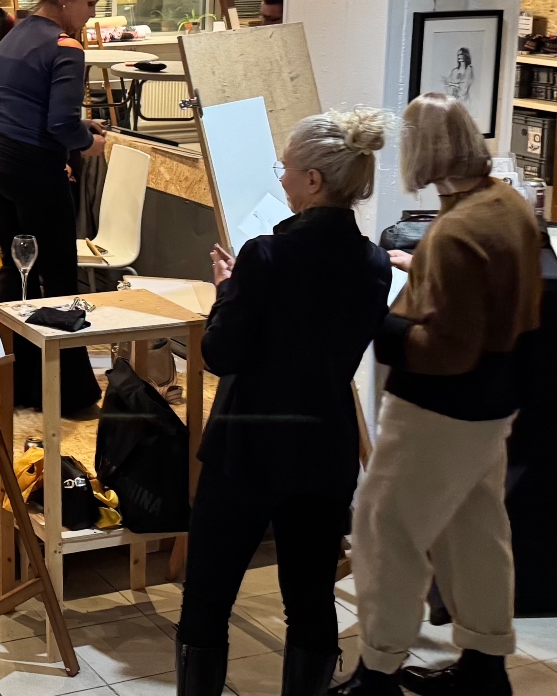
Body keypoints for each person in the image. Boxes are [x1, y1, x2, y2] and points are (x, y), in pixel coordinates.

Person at [175, 109, 392, 696]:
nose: (283, 178)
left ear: (314, 180)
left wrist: (227, 291)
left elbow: (220, 353)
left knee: (209, 597)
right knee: (310, 597)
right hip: (324, 445)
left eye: (286, 168)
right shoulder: (375, 263)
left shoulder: (266, 255)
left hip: (248, 445)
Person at [332, 93, 540, 696]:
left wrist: (381, 322)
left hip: (439, 406)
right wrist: (421, 268)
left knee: (383, 529)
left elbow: (444, 349)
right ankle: (485, 664)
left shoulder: (455, 232)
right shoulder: (507, 205)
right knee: (474, 528)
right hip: (493, 401)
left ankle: (378, 671)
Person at [0, 0, 109, 415]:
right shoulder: (65, 46)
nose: (90, 15)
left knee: (19, 268)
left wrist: (77, 130)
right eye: (89, 4)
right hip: (30, 165)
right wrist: (90, 142)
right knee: (60, 275)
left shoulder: (16, 31)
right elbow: (61, 125)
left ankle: (11, 382)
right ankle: (70, 396)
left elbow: (27, 104)